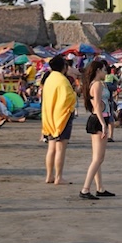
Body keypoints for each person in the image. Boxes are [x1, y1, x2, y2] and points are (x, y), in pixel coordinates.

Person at [79, 60, 113, 200]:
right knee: (99, 158)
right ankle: (85, 189)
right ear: (98, 70)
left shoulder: (96, 84)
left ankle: (100, 188)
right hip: (99, 120)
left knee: (97, 158)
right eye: (104, 70)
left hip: (98, 119)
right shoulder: (97, 84)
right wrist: (103, 124)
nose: (106, 72)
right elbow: (98, 106)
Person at [42, 55, 77, 185]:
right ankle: (58, 177)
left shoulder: (49, 78)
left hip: (49, 117)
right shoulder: (62, 80)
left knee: (51, 148)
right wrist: (74, 94)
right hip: (61, 117)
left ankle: (49, 175)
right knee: (60, 148)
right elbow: (68, 99)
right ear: (63, 67)